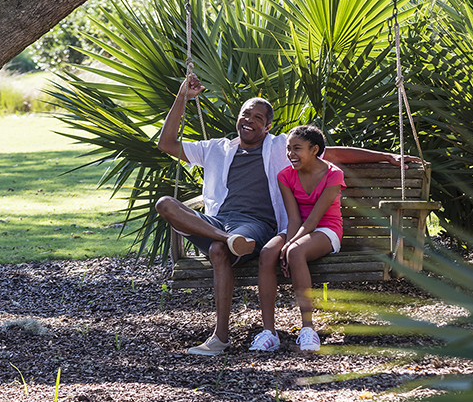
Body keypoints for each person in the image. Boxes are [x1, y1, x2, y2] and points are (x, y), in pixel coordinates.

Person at [156, 74, 417, 356]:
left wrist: (386, 156)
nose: (250, 120)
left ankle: (219, 337)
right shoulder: (216, 149)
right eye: (246, 114)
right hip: (219, 223)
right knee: (165, 204)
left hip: (255, 226)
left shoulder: (281, 147)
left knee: (219, 251)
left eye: (258, 118)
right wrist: (182, 96)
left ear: (267, 126)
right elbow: (166, 144)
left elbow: (331, 154)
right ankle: (227, 239)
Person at [250, 125, 343, 353]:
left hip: (326, 229)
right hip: (299, 228)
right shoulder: (286, 176)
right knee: (268, 253)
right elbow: (293, 218)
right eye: (288, 149)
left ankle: (308, 329)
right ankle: (269, 332)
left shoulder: (334, 174)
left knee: (295, 252)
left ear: (314, 150)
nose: (291, 154)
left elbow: (314, 219)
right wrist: (287, 242)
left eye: (297, 149)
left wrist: (291, 246)